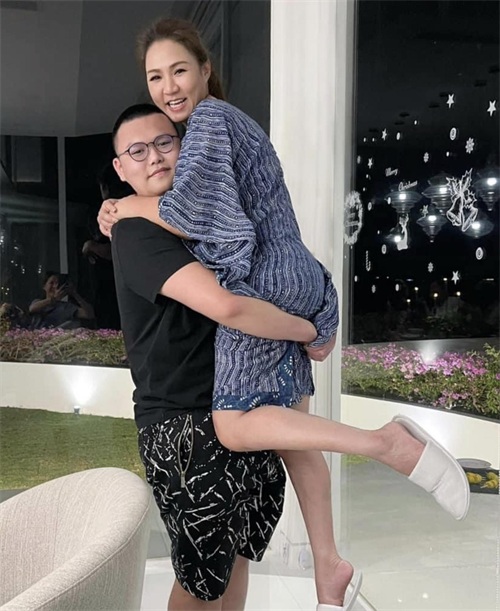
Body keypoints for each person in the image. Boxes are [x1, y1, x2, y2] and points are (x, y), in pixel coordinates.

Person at [99, 19, 470, 611]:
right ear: (121, 162)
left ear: (205, 71)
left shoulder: (209, 125)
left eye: (179, 71)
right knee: (294, 441)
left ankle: (387, 443)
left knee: (236, 427)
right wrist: (313, 315)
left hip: (267, 286)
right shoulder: (210, 137)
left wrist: (125, 206)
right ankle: (329, 569)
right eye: (155, 77)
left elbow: (215, 238)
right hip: (286, 282)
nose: (169, 87)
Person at [109, 103, 325, 611]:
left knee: (237, 560)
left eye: (165, 142)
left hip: (242, 409)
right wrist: (306, 330)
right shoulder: (135, 232)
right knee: (201, 582)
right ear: (120, 167)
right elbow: (227, 306)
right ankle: (385, 445)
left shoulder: (207, 222)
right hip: (185, 426)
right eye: (137, 151)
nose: (154, 157)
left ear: (185, 149)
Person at [29, 271, 94, 329]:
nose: (55, 286)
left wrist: (74, 294)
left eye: (57, 283)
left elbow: (89, 314)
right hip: (38, 336)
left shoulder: (66, 307)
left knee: (75, 323)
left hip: (56, 336)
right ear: (44, 286)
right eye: (51, 283)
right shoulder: (38, 302)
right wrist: (54, 298)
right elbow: (32, 308)